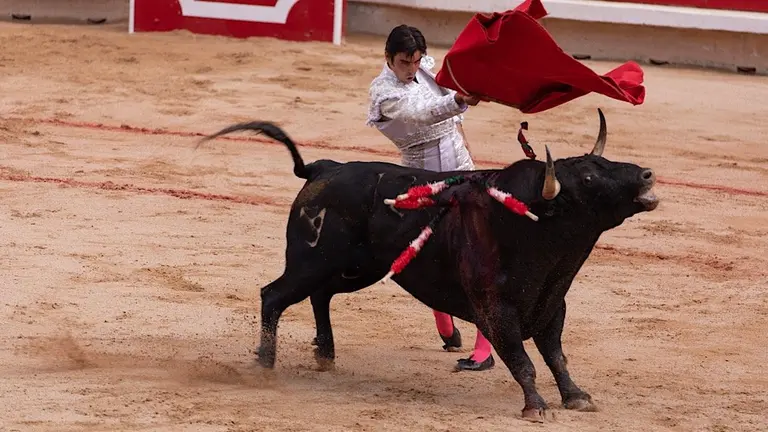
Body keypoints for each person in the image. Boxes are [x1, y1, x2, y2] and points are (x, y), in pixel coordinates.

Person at [366, 24, 495, 372]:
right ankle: (444, 319)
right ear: (388, 58)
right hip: (420, 177)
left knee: (477, 255)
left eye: (416, 60)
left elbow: (450, 115)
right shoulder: (384, 93)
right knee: (428, 255)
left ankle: (486, 347)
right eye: (404, 62)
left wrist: (465, 136)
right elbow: (420, 115)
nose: (411, 68)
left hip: (461, 167)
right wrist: (456, 100)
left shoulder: (426, 69)